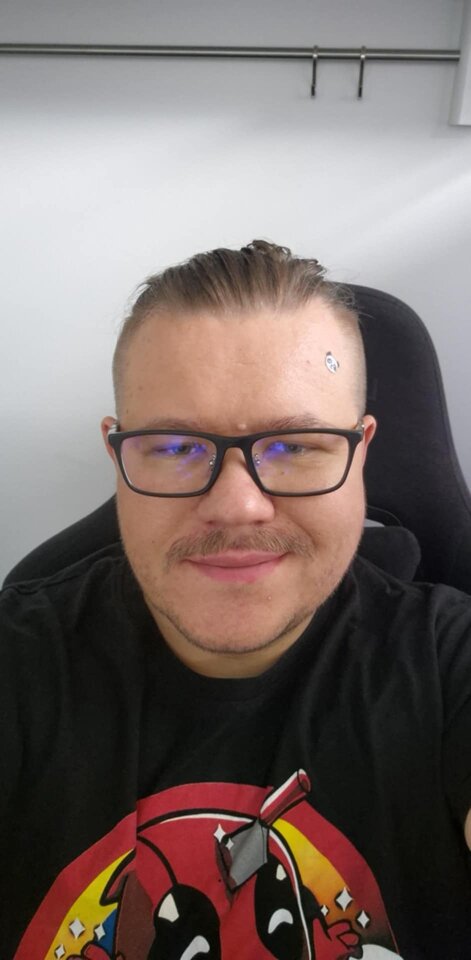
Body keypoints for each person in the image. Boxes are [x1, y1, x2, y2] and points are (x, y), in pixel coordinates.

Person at [1, 240, 470, 960]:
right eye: (175, 447)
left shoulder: (450, 666)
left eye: (296, 446)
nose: (237, 505)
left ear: (360, 454)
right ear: (118, 457)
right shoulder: (18, 665)